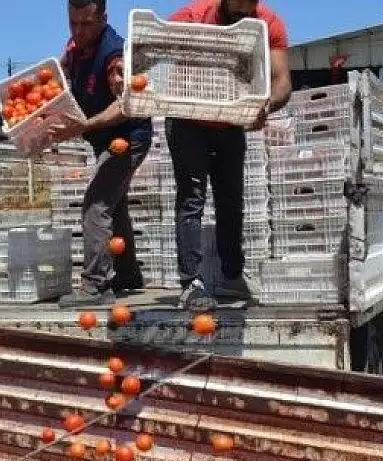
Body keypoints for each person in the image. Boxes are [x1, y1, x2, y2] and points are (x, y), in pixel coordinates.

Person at [167, 0, 293, 312]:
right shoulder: (192, 17)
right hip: (187, 119)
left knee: (231, 201)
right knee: (191, 197)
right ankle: (191, 283)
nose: (241, 12)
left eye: (247, 7)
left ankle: (232, 273)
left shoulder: (269, 24)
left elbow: (282, 83)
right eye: (235, 5)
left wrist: (265, 105)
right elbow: (149, 53)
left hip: (230, 120)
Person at [50, 0, 154, 308]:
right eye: (73, 24)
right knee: (114, 206)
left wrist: (86, 124)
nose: (79, 32)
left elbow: (124, 106)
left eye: (87, 24)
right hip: (103, 140)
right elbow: (59, 85)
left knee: (96, 205)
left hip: (127, 138)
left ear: (103, 18)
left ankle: (96, 285)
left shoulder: (114, 55)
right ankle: (127, 275)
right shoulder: (73, 49)